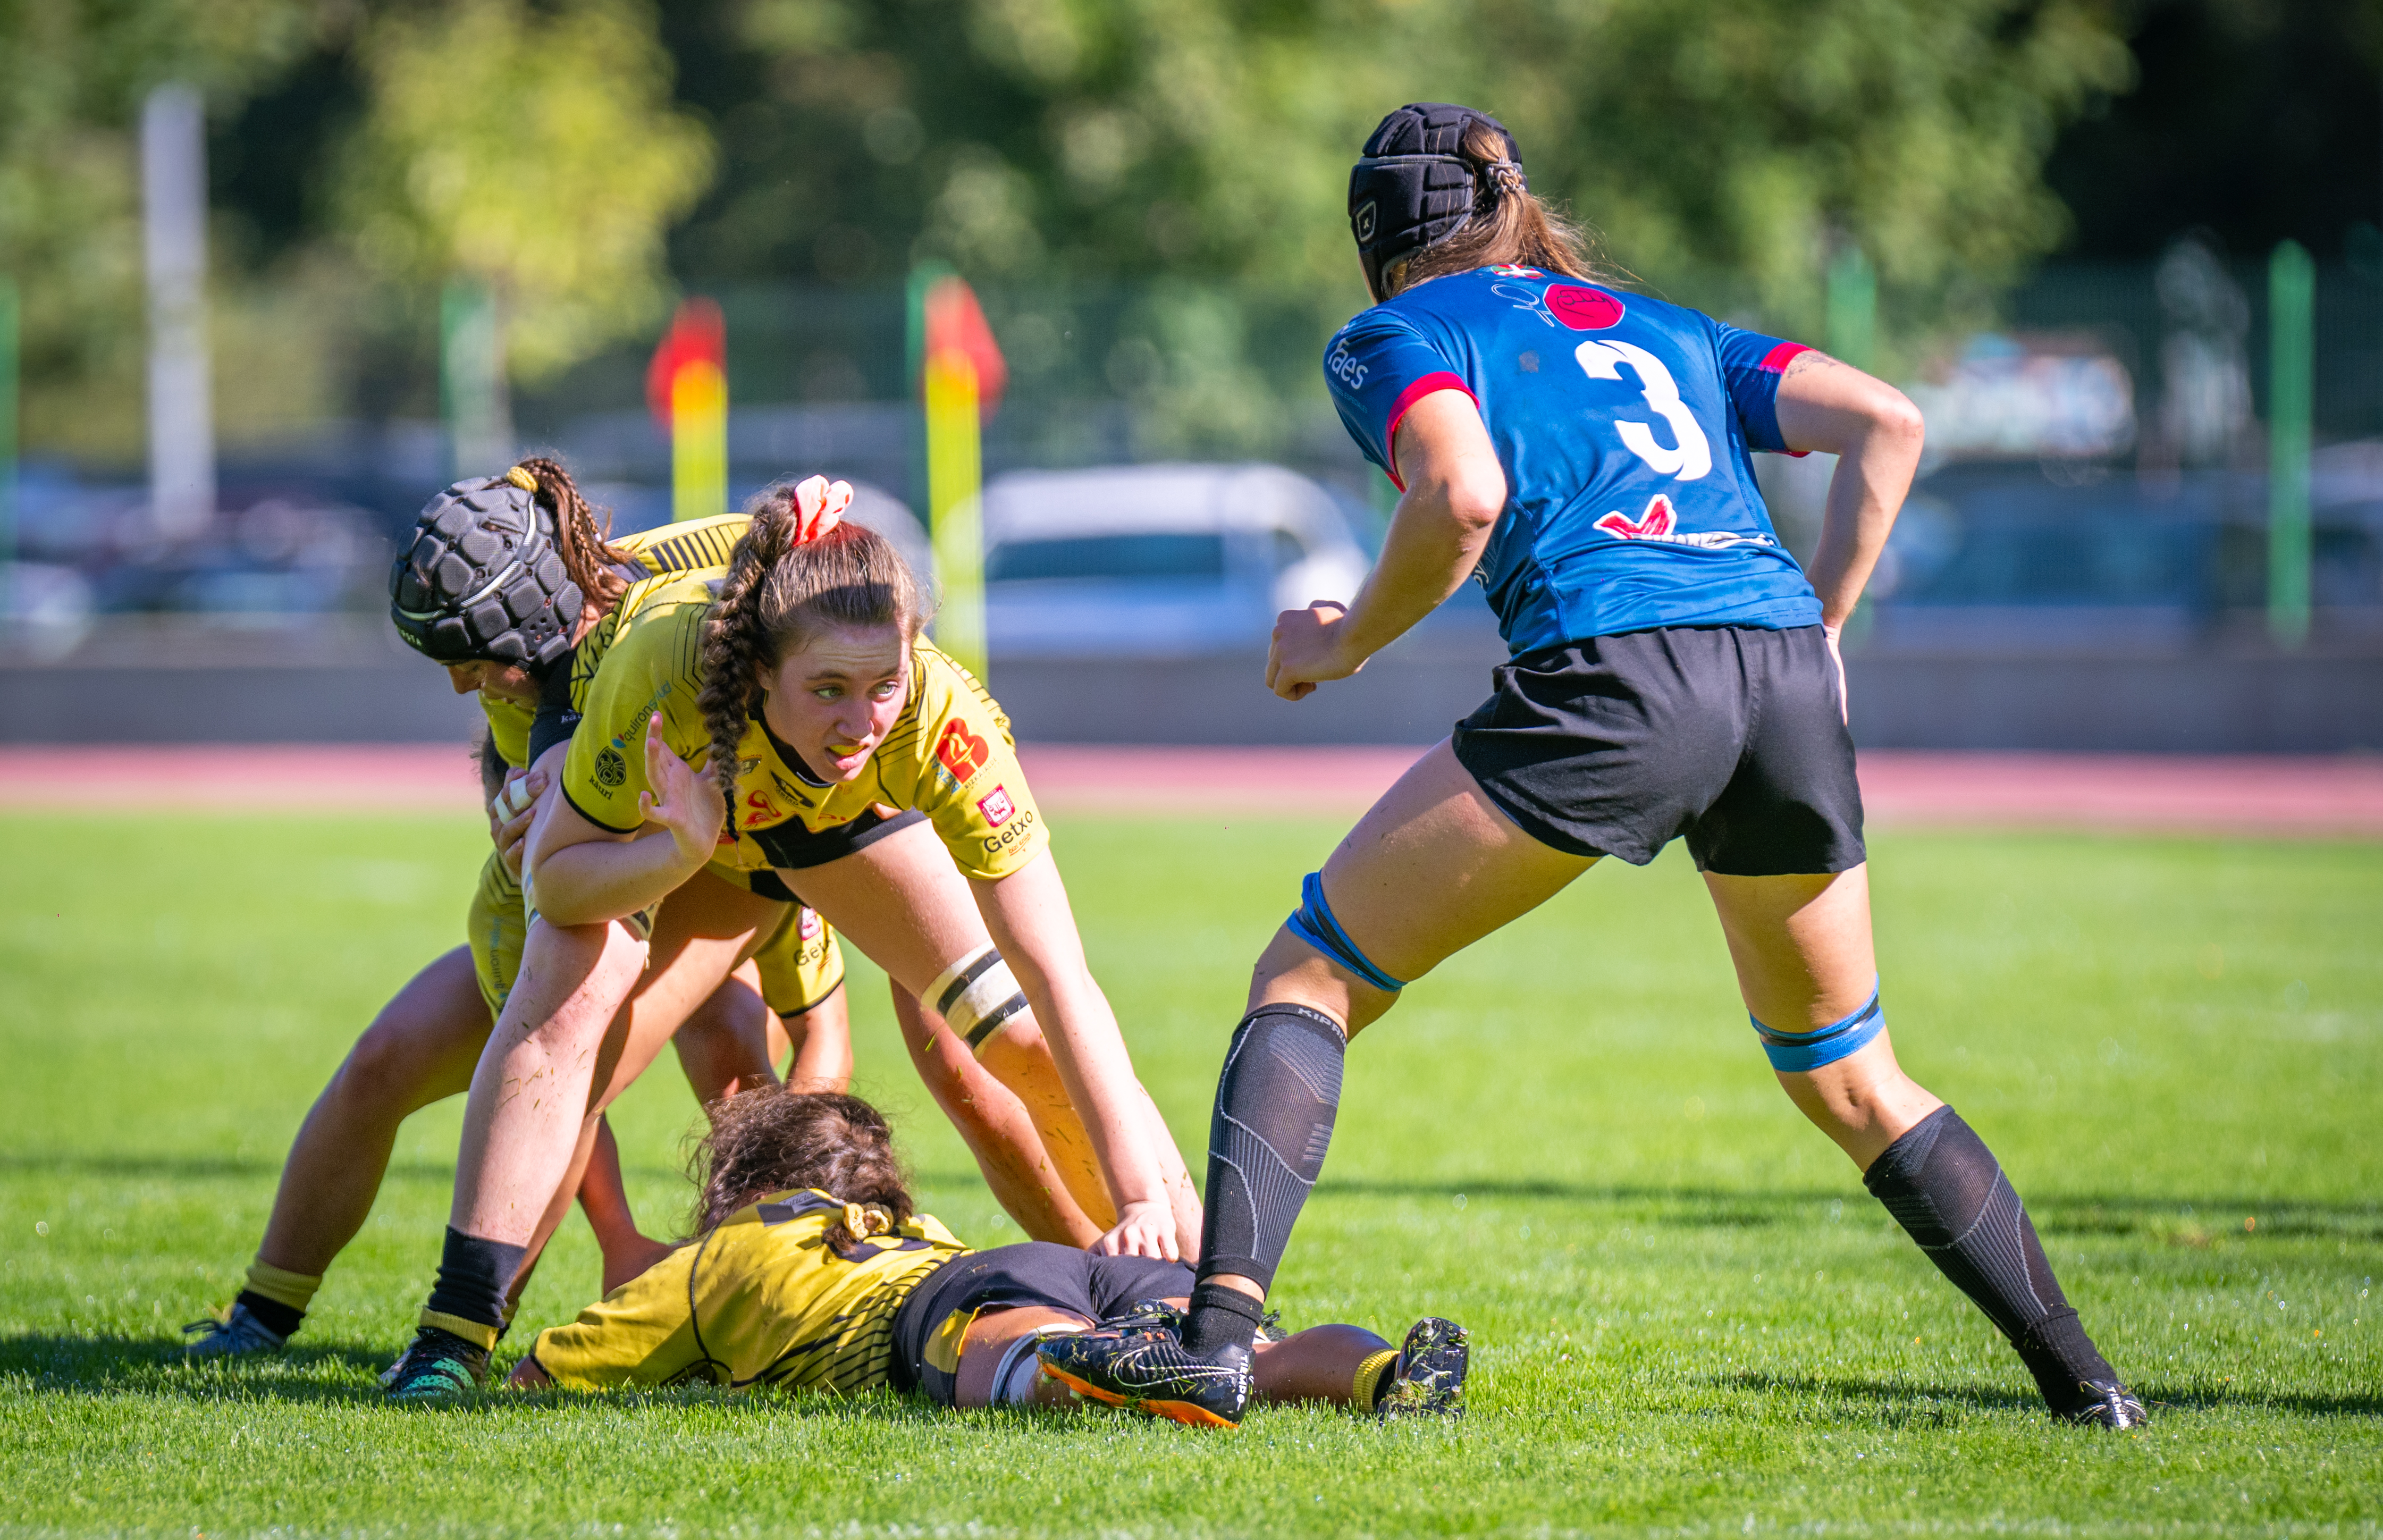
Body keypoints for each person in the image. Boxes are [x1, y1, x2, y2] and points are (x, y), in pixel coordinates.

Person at [1051, 103, 2148, 1430]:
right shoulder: (1672, 329)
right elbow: (1891, 422)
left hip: (1622, 674)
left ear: (1378, 245)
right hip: (1780, 675)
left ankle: (1214, 1345)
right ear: (1513, 202)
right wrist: (1826, 623)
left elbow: (1458, 497)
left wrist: (1339, 642)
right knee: (1850, 1075)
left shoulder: (1399, 334)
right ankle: (2090, 1385)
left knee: (1310, 972)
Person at [382, 474, 1200, 1402]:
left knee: (1005, 1039)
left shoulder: (938, 715)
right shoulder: (662, 668)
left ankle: (1198, 1302)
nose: (860, 722)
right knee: (566, 1013)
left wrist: (1139, 1198)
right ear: (763, 668)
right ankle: (455, 1335)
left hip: (828, 824)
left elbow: (1059, 974)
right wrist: (678, 845)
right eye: (829, 690)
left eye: (882, 685)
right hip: (678, 815)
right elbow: (557, 882)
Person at [183, 460, 852, 1360]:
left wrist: (819, 529)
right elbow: (539, 1010)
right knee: (394, 1061)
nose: (464, 687)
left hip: (731, 871)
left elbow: (824, 1034)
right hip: (606, 875)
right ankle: (267, 1317)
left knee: (725, 1038)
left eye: (471, 661)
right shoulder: (540, 696)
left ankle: (771, 1296)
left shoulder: (713, 637)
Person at [506, 1085, 1463, 1428]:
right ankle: (1386, 1371)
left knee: (1011, 1347)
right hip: (1041, 1257)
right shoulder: (906, 1229)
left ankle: (1088, 1365)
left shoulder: (725, 1258)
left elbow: (552, 1369)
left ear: (750, 1186)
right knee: (1249, 1356)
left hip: (963, 1299)